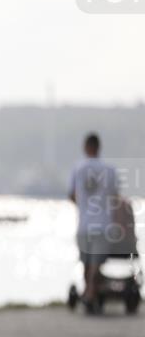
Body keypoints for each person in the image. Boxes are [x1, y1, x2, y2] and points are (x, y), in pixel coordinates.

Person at [68, 133, 120, 313]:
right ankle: (90, 293)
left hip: (84, 225)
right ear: (99, 147)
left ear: (86, 147)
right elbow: (115, 196)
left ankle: (89, 293)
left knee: (86, 263)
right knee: (95, 264)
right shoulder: (110, 170)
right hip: (103, 224)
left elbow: (72, 195)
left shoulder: (78, 168)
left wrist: (84, 206)